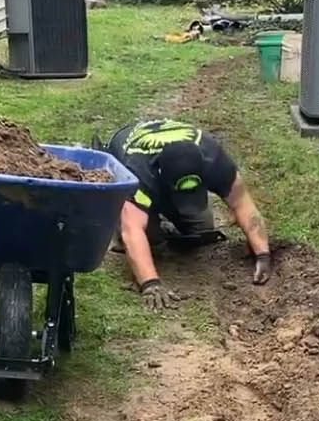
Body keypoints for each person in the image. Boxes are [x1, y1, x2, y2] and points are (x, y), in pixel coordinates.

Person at [106, 119, 271, 310]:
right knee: (149, 237)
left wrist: (262, 254)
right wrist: (150, 284)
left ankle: (170, 217)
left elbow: (242, 203)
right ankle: (146, 218)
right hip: (124, 150)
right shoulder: (139, 172)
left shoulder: (214, 159)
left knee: (202, 228)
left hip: (167, 176)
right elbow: (132, 229)